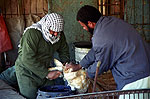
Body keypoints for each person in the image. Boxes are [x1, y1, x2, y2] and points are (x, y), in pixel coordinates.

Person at [66, 5, 150, 92]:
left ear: (90, 23)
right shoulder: (111, 22)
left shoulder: (101, 36)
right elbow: (97, 50)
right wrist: (80, 65)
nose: (84, 29)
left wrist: (85, 74)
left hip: (135, 80)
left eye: (83, 26)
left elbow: (101, 64)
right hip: (145, 71)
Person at [2, 13, 70, 99]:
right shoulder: (33, 33)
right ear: (47, 26)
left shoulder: (59, 35)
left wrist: (65, 64)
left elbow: (64, 50)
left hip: (44, 67)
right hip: (27, 71)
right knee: (30, 96)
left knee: (50, 94)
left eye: (58, 32)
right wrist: (46, 74)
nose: (55, 34)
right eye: (53, 31)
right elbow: (27, 59)